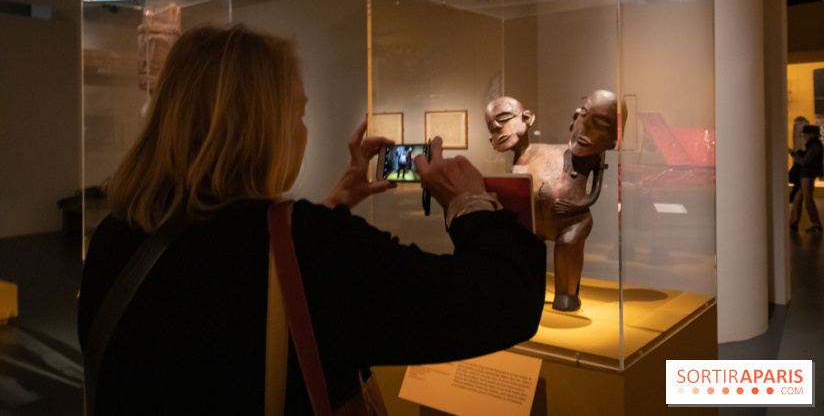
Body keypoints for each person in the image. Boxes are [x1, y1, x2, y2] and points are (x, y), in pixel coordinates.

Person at [77, 25, 547, 415]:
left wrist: (329, 209)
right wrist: (469, 204)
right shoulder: (316, 248)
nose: (302, 130)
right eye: (298, 112)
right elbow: (502, 302)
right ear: (263, 125)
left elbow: (225, 280)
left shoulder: (116, 237)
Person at [485, 91, 618, 312]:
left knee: (567, 245)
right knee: (522, 246)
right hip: (533, 222)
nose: (499, 129)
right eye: (493, 127)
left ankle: (566, 294)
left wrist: (579, 204)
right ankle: (527, 292)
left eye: (504, 120)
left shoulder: (583, 155)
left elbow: (594, 191)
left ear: (527, 119)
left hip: (571, 222)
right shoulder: (524, 153)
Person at [789, 123, 824, 233]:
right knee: (798, 199)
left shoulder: (814, 146)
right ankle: (793, 222)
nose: (804, 136)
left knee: (807, 199)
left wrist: (794, 154)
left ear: (810, 134)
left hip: (807, 175)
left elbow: (805, 162)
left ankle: (816, 223)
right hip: (806, 175)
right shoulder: (814, 146)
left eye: (805, 134)